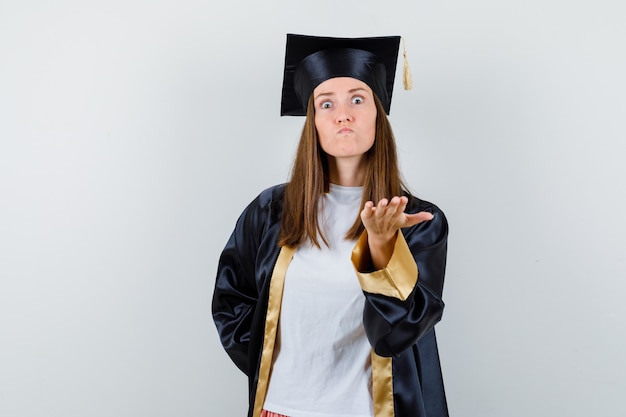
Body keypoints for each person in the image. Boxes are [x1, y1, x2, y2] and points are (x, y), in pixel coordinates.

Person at [212, 34, 449, 417]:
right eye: (327, 104)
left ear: (378, 113)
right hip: (280, 410)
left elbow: (401, 333)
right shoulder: (271, 210)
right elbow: (231, 299)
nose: (344, 114)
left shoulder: (417, 221)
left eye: (358, 99)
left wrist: (382, 247)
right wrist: (273, 369)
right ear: (314, 122)